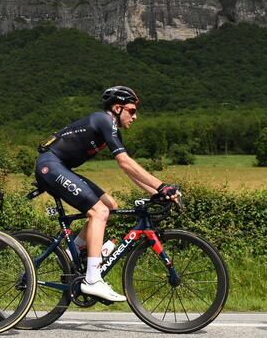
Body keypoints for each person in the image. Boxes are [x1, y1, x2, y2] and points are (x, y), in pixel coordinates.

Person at [34, 86, 180, 302]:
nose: (135, 116)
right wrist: (162, 186)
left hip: (60, 167)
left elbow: (128, 169)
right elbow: (124, 161)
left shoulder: (111, 128)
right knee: (99, 212)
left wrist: (156, 193)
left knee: (109, 205)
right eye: (131, 110)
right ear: (117, 107)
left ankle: (72, 252)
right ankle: (93, 280)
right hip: (50, 166)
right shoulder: (104, 120)